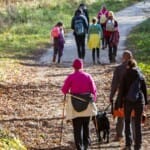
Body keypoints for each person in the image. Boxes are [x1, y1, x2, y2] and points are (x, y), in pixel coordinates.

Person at [61, 58, 97, 150]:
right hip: (87, 105)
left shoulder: (71, 77)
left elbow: (64, 90)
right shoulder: (88, 76)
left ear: (73, 67)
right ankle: (86, 146)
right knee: (86, 126)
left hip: (74, 106)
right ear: (82, 66)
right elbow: (94, 91)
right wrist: (94, 100)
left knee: (77, 128)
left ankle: (79, 147)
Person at [120, 59, 148, 150]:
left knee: (127, 122)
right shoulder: (140, 75)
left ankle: (128, 144)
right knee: (137, 123)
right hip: (139, 101)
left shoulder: (125, 74)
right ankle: (138, 145)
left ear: (128, 65)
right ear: (135, 65)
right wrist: (146, 103)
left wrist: (120, 103)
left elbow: (121, 90)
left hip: (128, 101)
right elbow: (144, 90)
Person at [109, 50, 133, 141]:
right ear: (131, 58)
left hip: (122, 96)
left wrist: (111, 96)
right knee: (132, 116)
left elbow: (114, 84)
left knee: (121, 115)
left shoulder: (119, 69)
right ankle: (130, 136)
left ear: (123, 58)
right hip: (134, 97)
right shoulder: (136, 69)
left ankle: (119, 135)